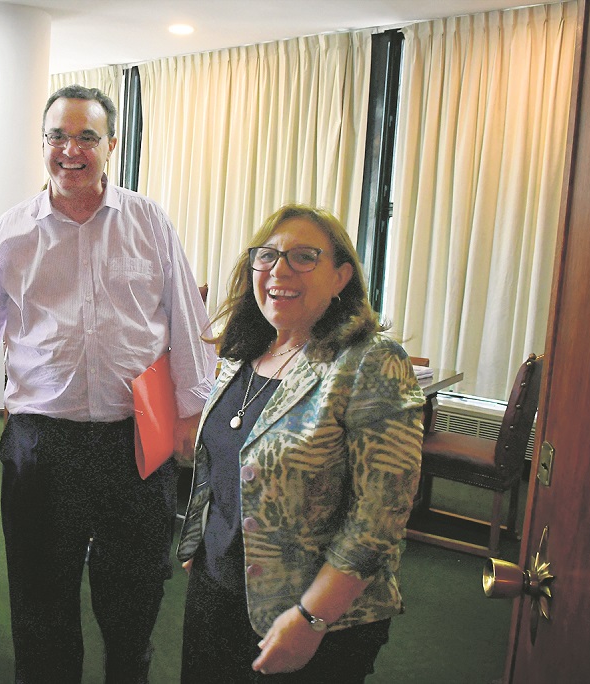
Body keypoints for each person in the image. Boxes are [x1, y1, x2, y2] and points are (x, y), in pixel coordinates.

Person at [0, 84, 216, 683]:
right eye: (58, 137)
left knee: (134, 601)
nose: (71, 150)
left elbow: (186, 326)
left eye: (86, 136)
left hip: (139, 436)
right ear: (44, 144)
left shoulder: (149, 223)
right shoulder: (11, 234)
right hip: (43, 443)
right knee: (41, 604)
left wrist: (191, 416)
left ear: (110, 145)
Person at [177, 204, 424, 683]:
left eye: (304, 257)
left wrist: (312, 617)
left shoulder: (368, 362)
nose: (280, 270)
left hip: (312, 618)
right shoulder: (245, 351)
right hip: (217, 591)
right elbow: (224, 459)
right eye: (267, 256)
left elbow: (380, 517)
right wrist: (201, 543)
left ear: (340, 277)